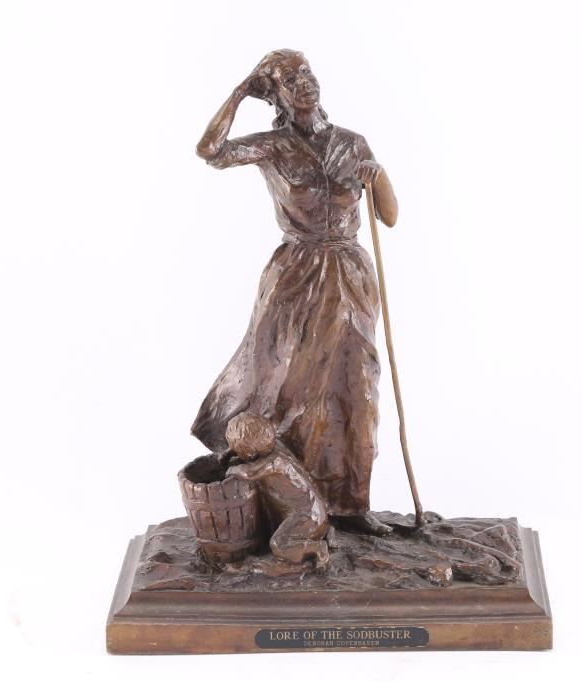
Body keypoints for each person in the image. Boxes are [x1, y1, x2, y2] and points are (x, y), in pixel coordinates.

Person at [192, 49, 398, 535]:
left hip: (349, 275)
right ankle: (287, 502)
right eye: (288, 79)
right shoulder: (273, 146)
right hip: (296, 276)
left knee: (356, 385)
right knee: (286, 385)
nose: (303, 83)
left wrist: (379, 177)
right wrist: (242, 90)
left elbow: (388, 216)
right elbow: (211, 151)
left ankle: (351, 504)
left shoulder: (351, 143)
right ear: (276, 95)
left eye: (305, 73)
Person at [225, 413, 329, 567]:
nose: (237, 453)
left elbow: (248, 473)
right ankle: (325, 532)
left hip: (308, 517)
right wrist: (229, 453)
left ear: (249, 451)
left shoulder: (275, 462)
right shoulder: (275, 448)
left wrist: (229, 470)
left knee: (279, 544)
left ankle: (317, 548)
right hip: (314, 512)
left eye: (238, 449)